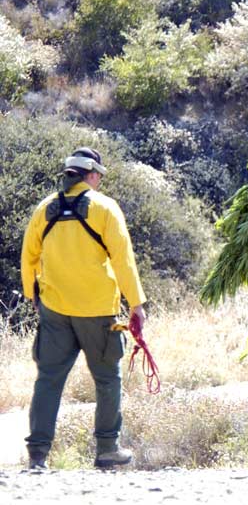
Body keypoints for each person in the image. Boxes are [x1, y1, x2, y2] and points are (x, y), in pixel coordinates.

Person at [20, 147, 146, 470]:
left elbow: (28, 256)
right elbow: (123, 259)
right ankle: (107, 450)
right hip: (98, 311)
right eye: (98, 176)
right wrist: (136, 304)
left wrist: (32, 293)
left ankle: (37, 456)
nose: (99, 182)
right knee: (107, 379)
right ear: (90, 174)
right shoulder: (105, 208)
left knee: (48, 380)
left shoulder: (44, 209)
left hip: (55, 310)